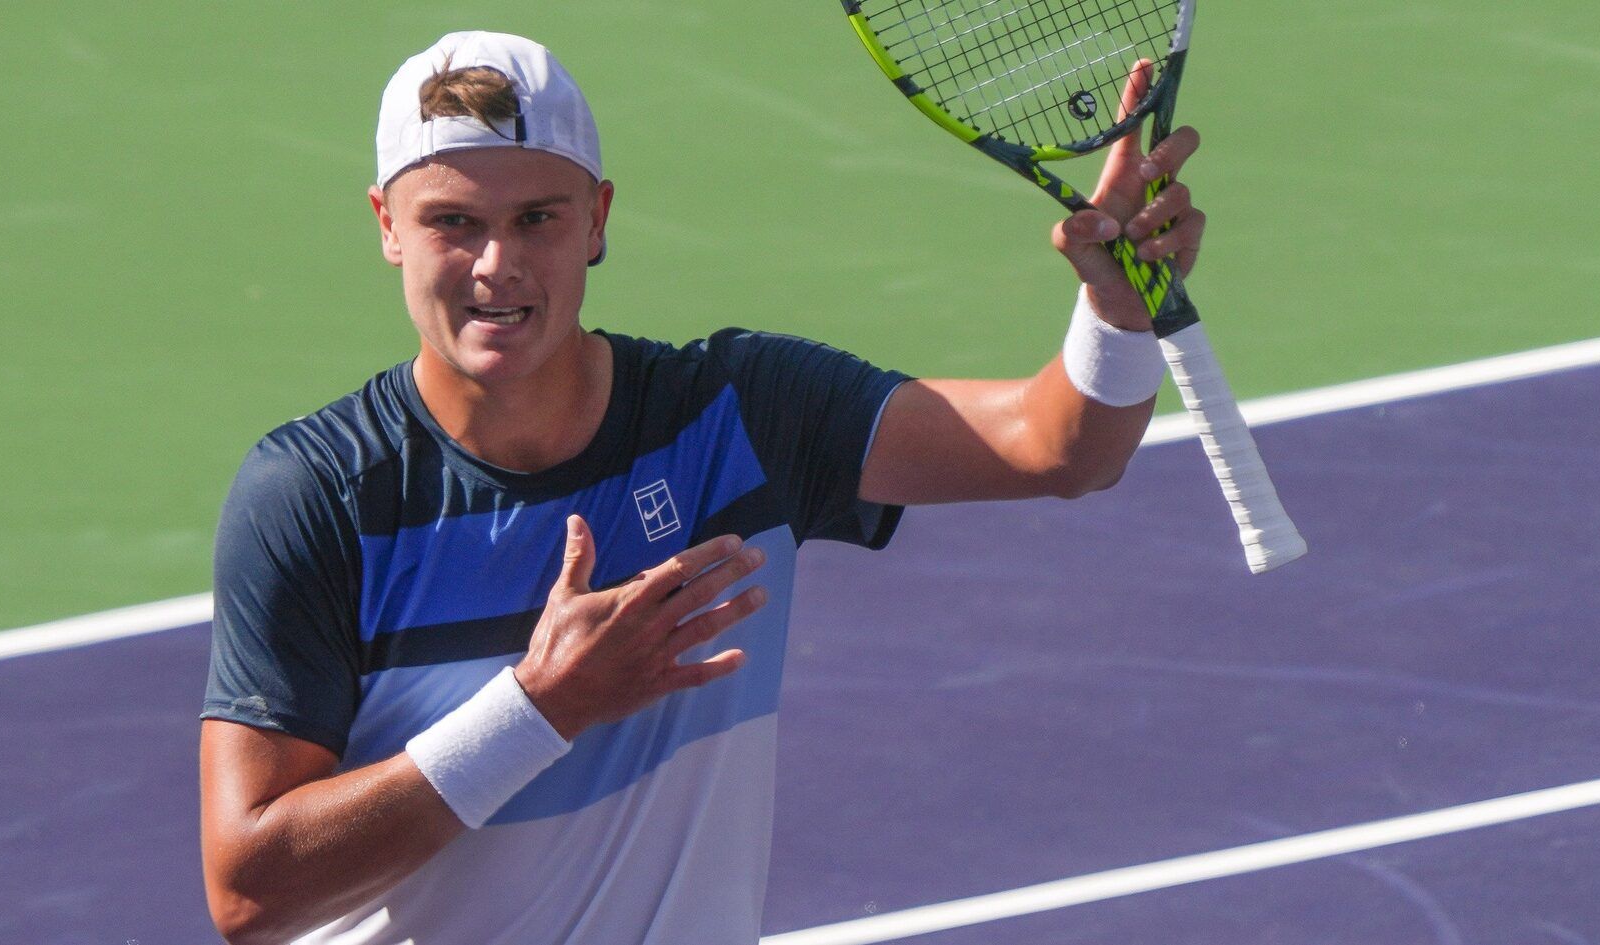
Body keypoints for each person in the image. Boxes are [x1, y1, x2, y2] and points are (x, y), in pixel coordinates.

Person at [198, 30, 1205, 945]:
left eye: (537, 218)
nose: (495, 266)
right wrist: (540, 710)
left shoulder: (740, 415)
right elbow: (250, 894)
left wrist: (1116, 313)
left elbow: (1057, 448)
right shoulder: (317, 496)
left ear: (596, 219)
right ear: (388, 226)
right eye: (452, 222)